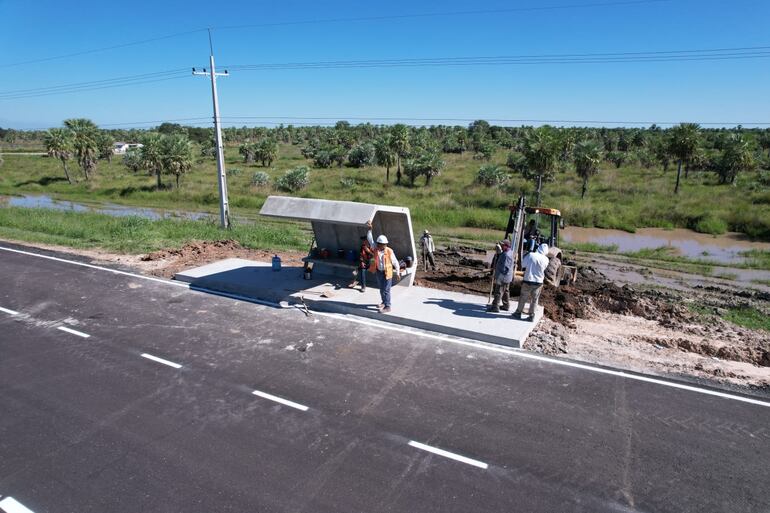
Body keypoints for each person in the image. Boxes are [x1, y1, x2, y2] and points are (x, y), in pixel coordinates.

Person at [366, 220, 400, 313]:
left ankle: (388, 306)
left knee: (386, 290)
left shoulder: (389, 251)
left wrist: (397, 272)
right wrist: (370, 230)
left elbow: (395, 262)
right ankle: (383, 302)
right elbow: (370, 240)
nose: (381, 245)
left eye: (384, 244)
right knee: (381, 289)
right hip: (379, 272)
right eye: (380, 244)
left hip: (387, 273)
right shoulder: (376, 248)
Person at [514, 243, 550, 321]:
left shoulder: (531, 255)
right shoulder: (546, 259)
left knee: (523, 298)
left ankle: (518, 313)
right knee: (534, 300)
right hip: (538, 282)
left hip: (528, 280)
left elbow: (523, 264)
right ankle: (531, 316)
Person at [487, 239, 514, 312]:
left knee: (498, 292)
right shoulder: (508, 252)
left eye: (502, 245)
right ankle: (506, 305)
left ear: (506, 246)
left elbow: (504, 269)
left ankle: (495, 307)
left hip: (503, 277)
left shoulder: (506, 255)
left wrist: (497, 275)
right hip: (507, 277)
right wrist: (499, 253)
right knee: (505, 291)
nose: (501, 246)